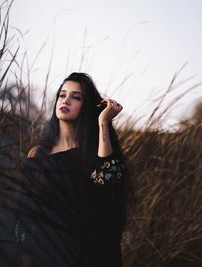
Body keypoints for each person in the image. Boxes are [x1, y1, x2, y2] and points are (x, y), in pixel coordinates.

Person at [14, 72, 131, 267]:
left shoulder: (96, 153)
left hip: (88, 255)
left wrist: (103, 123)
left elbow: (109, 182)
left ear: (86, 106)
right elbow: (24, 213)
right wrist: (23, 255)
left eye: (76, 97)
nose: (66, 100)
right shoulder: (37, 154)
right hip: (44, 253)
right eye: (62, 95)